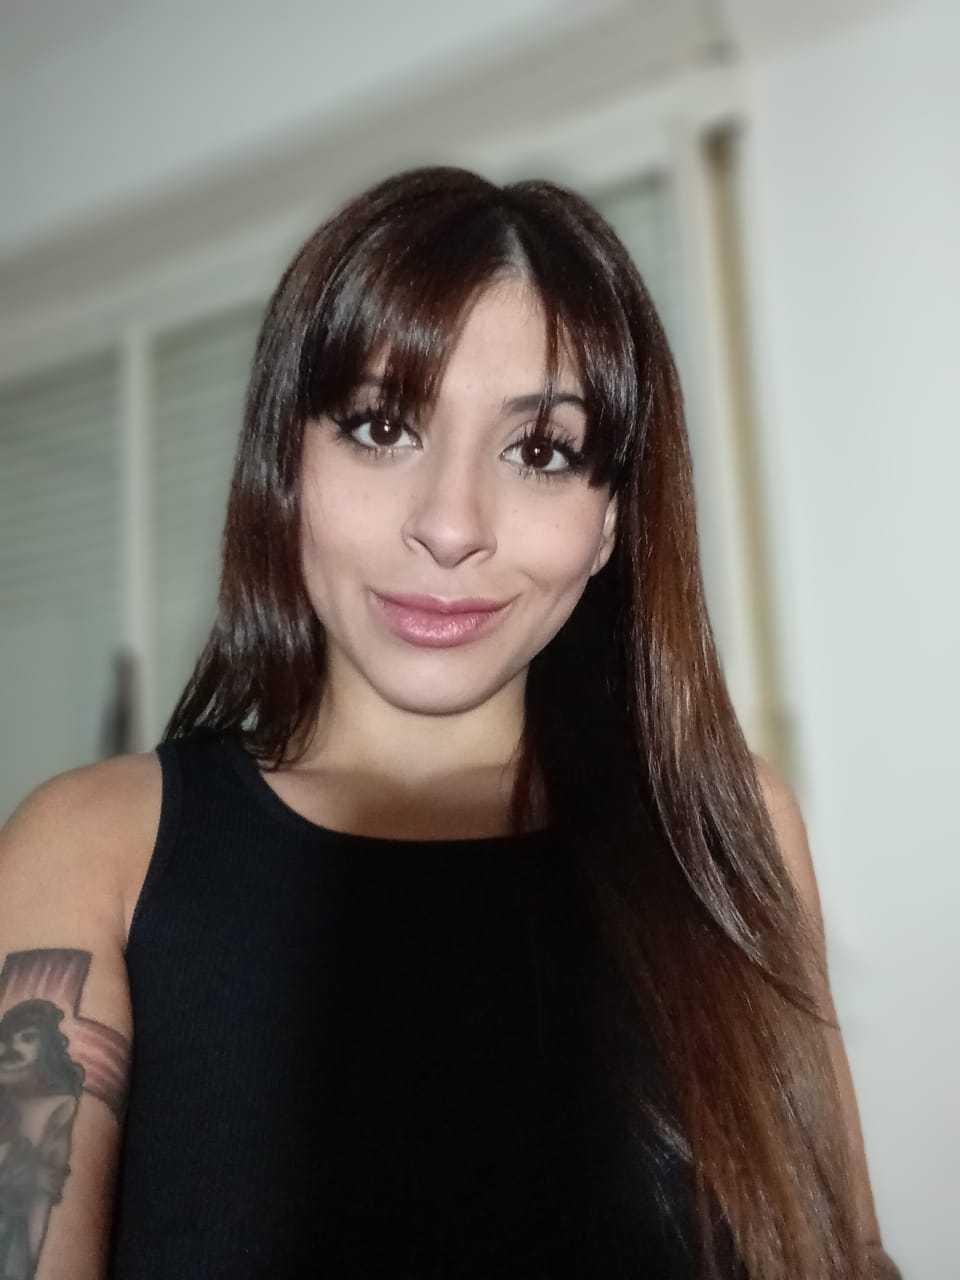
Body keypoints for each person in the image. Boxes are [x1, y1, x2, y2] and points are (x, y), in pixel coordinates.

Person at [0, 166, 901, 1279]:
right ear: (287, 463)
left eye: (540, 450)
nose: (450, 523)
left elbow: (841, 1253)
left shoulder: (722, 828)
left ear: (609, 520)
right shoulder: (92, 852)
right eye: (382, 426)